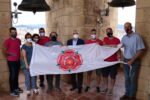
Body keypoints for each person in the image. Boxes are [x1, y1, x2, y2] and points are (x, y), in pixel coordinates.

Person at [120, 22, 145, 100]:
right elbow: (119, 46)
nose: (126, 28)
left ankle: (131, 96)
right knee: (127, 78)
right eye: (125, 27)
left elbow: (141, 50)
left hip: (134, 60)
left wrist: (132, 60)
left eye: (128, 27)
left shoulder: (137, 37)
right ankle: (127, 94)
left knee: (132, 78)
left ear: (131, 27)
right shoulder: (124, 37)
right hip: (125, 60)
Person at [3, 27, 23, 96]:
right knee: (12, 75)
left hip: (17, 60)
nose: (14, 33)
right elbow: (4, 51)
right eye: (12, 32)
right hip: (11, 61)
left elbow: (19, 49)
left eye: (15, 32)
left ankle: (16, 88)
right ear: (10, 33)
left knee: (17, 75)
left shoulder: (19, 40)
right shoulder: (7, 41)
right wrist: (10, 54)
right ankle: (12, 91)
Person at [101, 28, 121, 95]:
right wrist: (113, 46)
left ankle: (111, 89)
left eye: (110, 32)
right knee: (105, 76)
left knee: (113, 76)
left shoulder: (117, 40)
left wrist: (119, 57)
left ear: (112, 32)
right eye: (107, 32)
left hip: (113, 61)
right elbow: (103, 46)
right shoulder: (105, 39)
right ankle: (106, 88)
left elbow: (118, 49)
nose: (109, 33)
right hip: (105, 61)